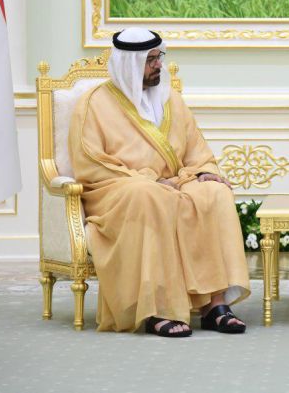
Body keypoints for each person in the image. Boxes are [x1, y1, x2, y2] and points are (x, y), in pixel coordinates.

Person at [68, 28, 250, 337]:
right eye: (150, 60)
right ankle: (157, 309)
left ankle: (214, 305)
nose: (158, 65)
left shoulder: (170, 99)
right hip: (118, 190)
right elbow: (91, 161)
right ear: (130, 64)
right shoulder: (94, 104)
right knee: (148, 194)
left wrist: (203, 171)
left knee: (214, 193)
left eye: (159, 57)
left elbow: (195, 149)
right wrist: (150, 180)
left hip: (173, 183)